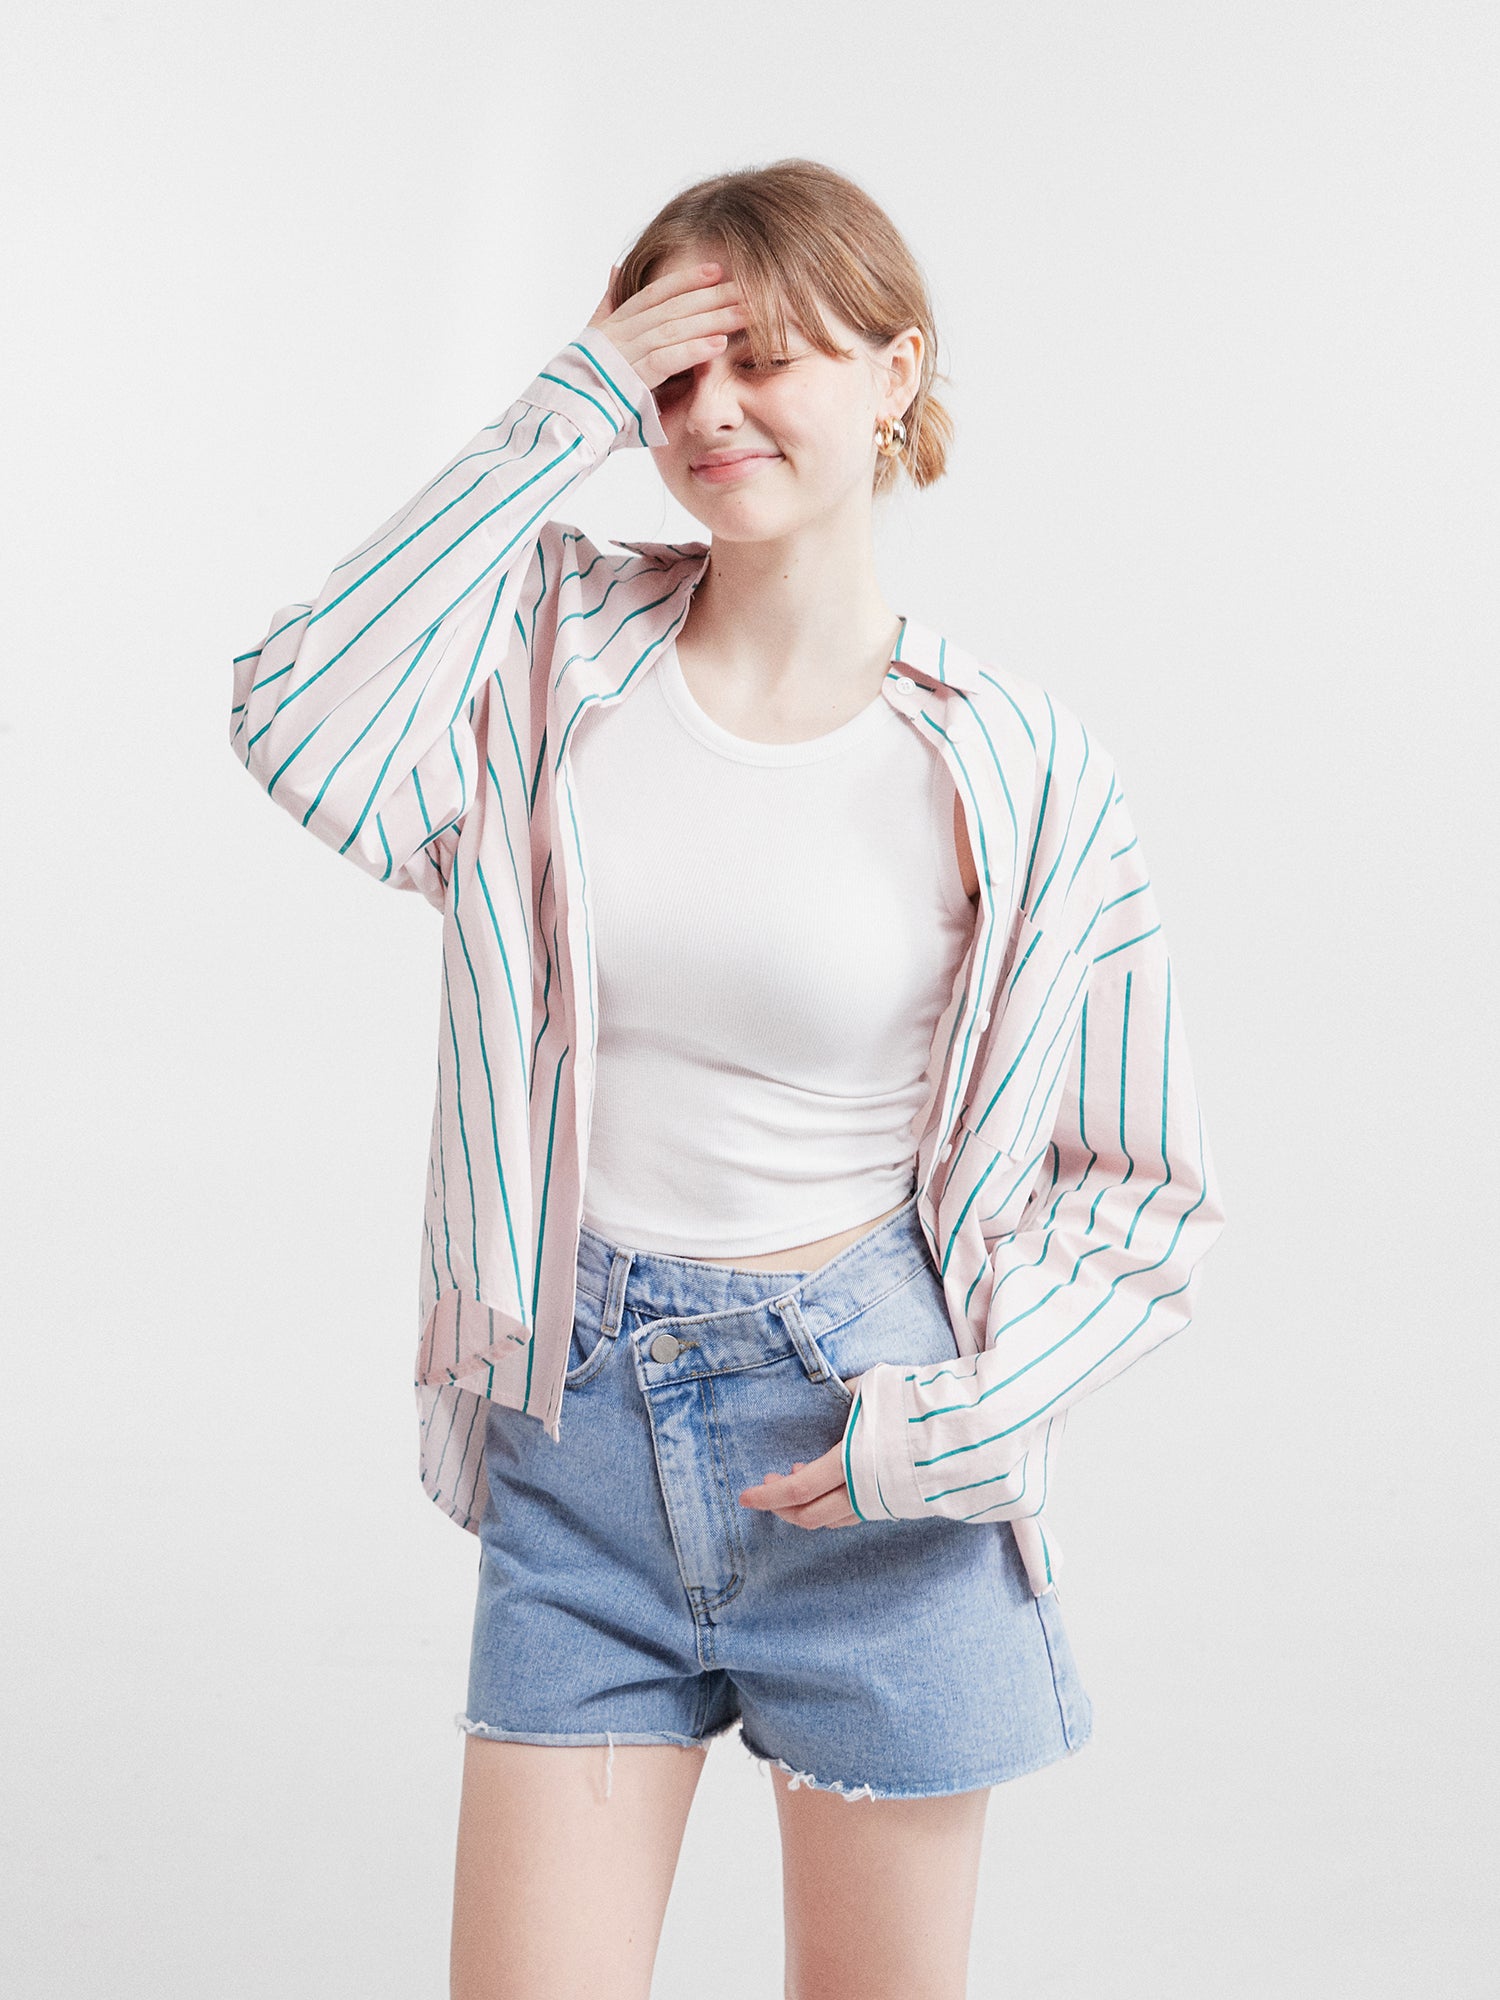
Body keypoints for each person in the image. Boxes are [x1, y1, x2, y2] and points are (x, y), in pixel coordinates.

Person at [231, 157, 1226, 2000]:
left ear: (895, 371)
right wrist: (568, 405)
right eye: (671, 376)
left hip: (869, 1440)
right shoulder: (544, 654)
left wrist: (965, 1424)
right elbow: (293, 713)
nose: (709, 413)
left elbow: (1140, 1189)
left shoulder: (1019, 768)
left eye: (761, 355)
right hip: (575, 1427)